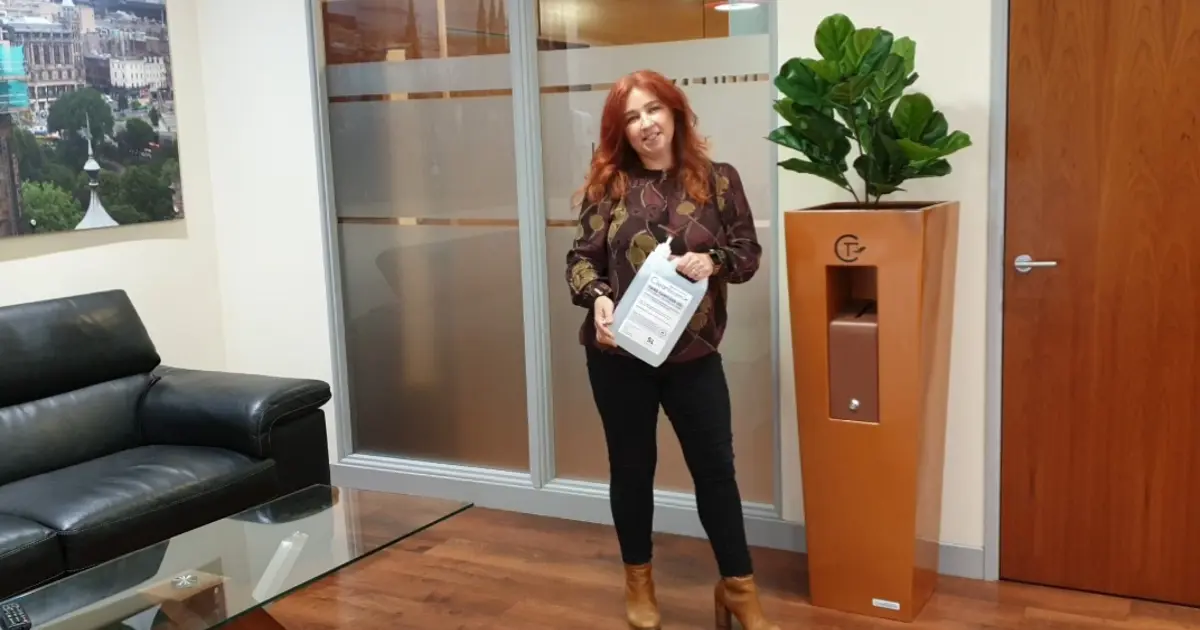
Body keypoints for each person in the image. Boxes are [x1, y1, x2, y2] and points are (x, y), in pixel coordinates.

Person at [564, 69, 778, 630]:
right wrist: (597, 299)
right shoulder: (606, 187)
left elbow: (747, 252)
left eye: (653, 110)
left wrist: (715, 262)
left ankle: (739, 590)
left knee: (715, 472)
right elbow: (580, 259)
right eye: (631, 118)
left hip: (694, 355)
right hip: (618, 357)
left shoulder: (718, 180)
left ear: (675, 112)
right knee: (631, 471)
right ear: (621, 130)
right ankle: (639, 582)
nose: (645, 125)